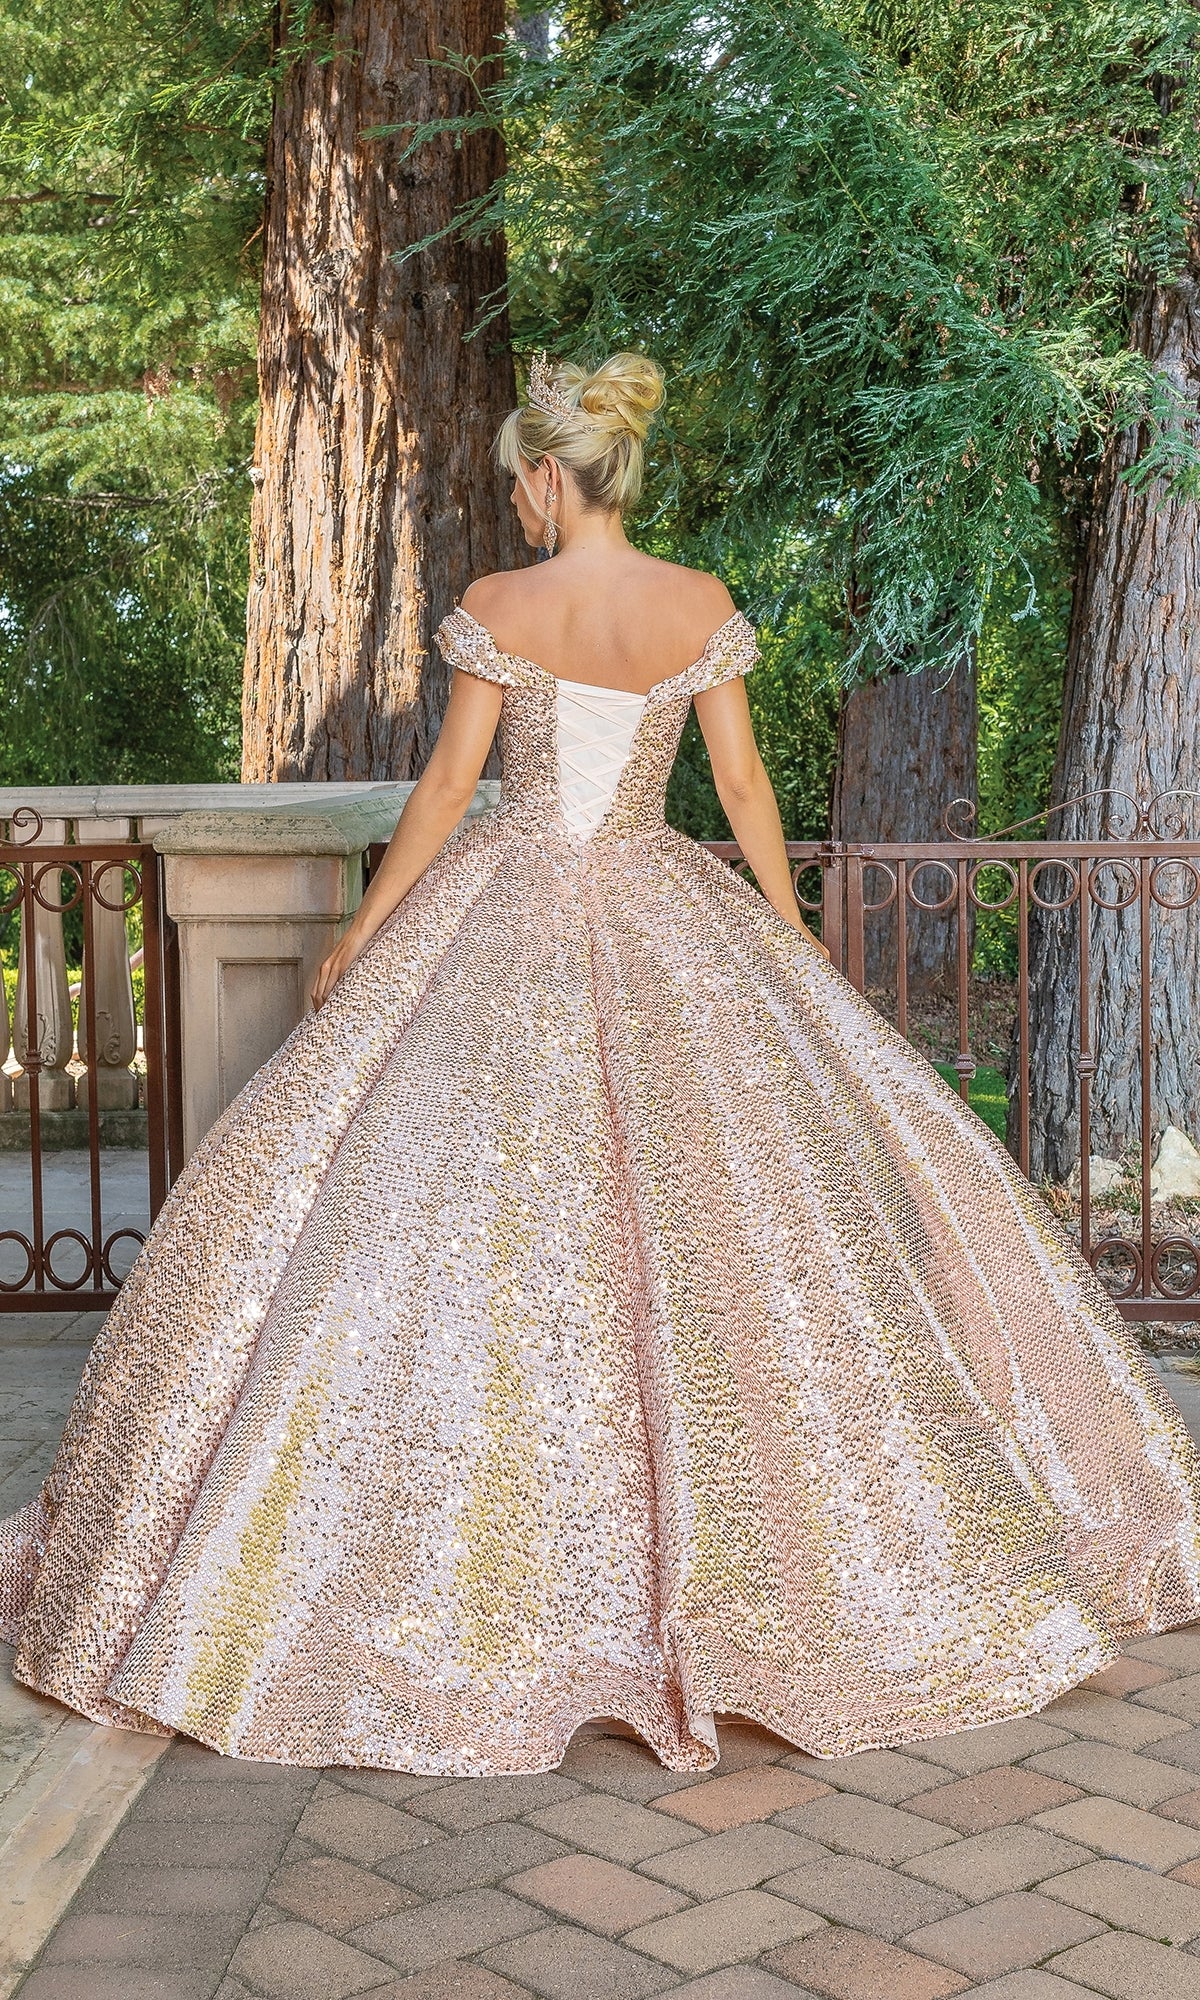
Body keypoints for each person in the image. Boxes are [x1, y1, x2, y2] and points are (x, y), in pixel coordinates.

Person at [3, 352, 1199, 1780]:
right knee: (732, 1228)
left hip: (500, 914)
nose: (513, 497)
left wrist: (360, 940)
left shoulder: (504, 609)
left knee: (438, 1213)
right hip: (662, 902)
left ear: (552, 478)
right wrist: (787, 929)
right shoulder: (698, 605)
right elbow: (744, 786)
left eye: (518, 474)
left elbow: (450, 791)